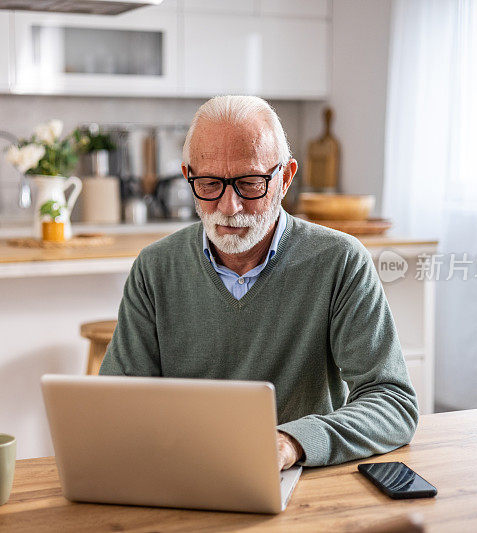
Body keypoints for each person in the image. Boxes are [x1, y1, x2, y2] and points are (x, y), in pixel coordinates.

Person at [100, 95, 418, 469]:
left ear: (285, 179)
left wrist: (293, 442)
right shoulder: (155, 267)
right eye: (209, 183)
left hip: (302, 478)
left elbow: (392, 401)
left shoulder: (340, 261)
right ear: (188, 177)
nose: (228, 206)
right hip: (185, 472)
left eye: (250, 184)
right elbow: (115, 403)